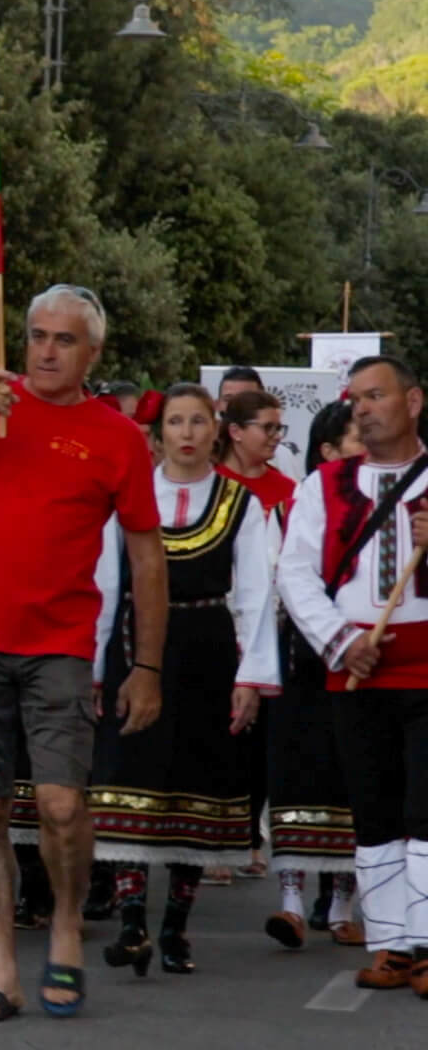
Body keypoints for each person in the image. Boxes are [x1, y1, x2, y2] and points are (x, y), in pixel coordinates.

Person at [0, 284, 165, 1021]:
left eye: (64, 340)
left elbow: (147, 557)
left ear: (93, 353)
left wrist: (147, 667)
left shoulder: (116, 437)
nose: (46, 351)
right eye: (37, 335)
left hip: (61, 643)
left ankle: (67, 923)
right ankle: (1, 973)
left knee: (61, 803)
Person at [89, 384, 277, 977]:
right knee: (128, 776)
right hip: (133, 647)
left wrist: (251, 676)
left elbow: (256, 594)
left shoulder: (239, 502)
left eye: (198, 421)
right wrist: (95, 667)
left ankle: (175, 927)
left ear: (215, 430)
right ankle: (131, 922)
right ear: (159, 433)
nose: (188, 433)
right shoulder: (128, 497)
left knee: (196, 781)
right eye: (176, 422)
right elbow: (105, 585)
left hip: (206, 650)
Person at [279, 354, 428, 996]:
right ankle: (391, 945)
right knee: (374, 808)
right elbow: (295, 573)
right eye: (355, 399)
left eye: (376, 396)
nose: (362, 409)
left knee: (426, 808)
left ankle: (426, 942)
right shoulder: (325, 484)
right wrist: (340, 643)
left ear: (413, 402)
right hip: (357, 670)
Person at [264, 399, 365, 950]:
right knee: (296, 775)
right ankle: (291, 903)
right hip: (302, 660)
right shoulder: (289, 509)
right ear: (327, 451)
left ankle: (344, 905)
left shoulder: (385, 506)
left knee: (353, 778)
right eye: (356, 439)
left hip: (365, 659)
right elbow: (274, 588)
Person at [211, 387, 293, 883]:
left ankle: (247, 834)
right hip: (218, 622)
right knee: (219, 733)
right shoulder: (213, 484)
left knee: (261, 737)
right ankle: (214, 838)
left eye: (279, 428)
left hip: (272, 625)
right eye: (267, 427)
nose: (275, 437)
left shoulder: (288, 489)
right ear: (237, 432)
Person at [216, 366, 304, 478]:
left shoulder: (282, 457)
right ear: (217, 404)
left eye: (247, 400)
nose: (236, 405)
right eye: (228, 399)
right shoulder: (204, 456)